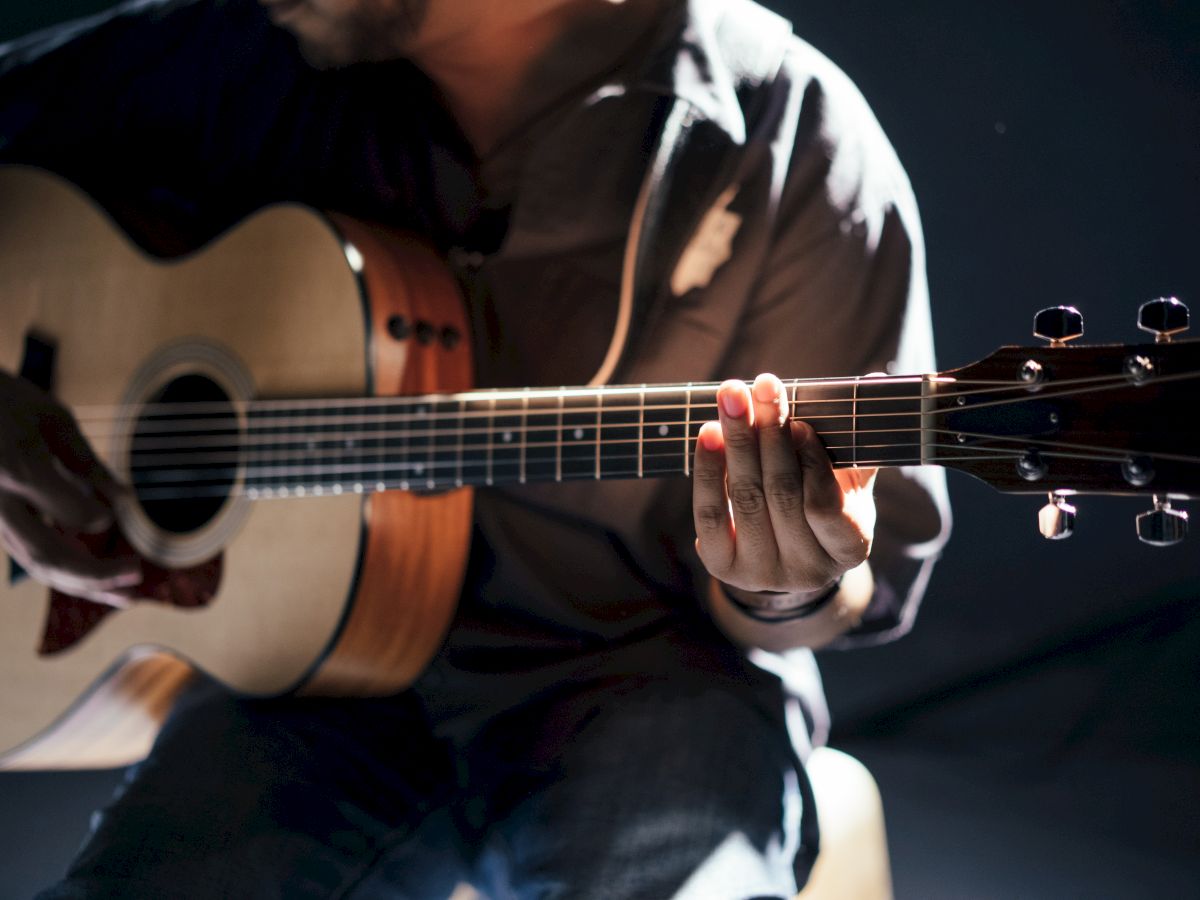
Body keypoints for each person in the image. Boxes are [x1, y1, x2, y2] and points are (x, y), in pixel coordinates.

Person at [0, 0, 949, 896]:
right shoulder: (243, 51)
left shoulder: (792, 135)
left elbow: (852, 585)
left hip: (653, 674)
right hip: (298, 686)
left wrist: (785, 575)